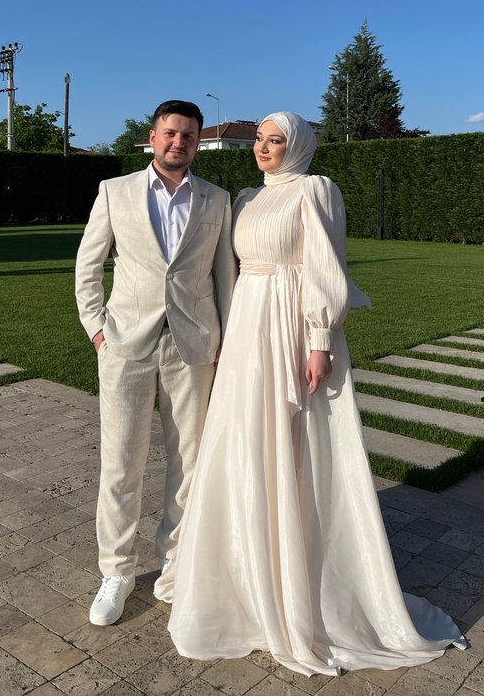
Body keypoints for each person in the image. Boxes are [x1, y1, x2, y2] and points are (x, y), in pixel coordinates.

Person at [163, 111, 467, 676]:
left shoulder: (316, 190)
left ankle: (296, 575)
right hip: (248, 326)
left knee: (294, 444)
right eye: (260, 139)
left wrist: (321, 339)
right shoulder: (248, 197)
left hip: (291, 328)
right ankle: (242, 574)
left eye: (275, 140)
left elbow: (326, 265)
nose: (263, 148)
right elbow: (231, 271)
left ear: (298, 146)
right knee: (241, 441)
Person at [75, 99, 236, 625]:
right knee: (121, 463)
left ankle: (175, 563)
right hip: (125, 345)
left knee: (189, 462)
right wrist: (98, 330)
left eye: (188, 136)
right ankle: (117, 571)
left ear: (197, 143)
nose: (178, 143)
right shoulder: (114, 191)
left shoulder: (216, 200)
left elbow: (224, 277)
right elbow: (87, 266)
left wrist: (227, 339)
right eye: (170, 133)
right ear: (152, 137)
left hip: (194, 348)